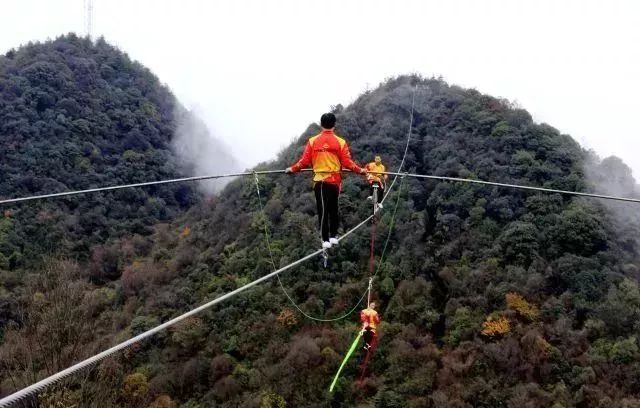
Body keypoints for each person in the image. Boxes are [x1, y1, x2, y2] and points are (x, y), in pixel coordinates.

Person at [286, 113, 366, 249]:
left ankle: (325, 240)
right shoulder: (341, 142)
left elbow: (304, 162)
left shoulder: (313, 141)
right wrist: (361, 170)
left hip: (320, 181)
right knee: (333, 209)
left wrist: (292, 169)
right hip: (335, 181)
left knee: (323, 210)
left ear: (321, 124)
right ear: (334, 125)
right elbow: (347, 163)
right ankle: (333, 236)